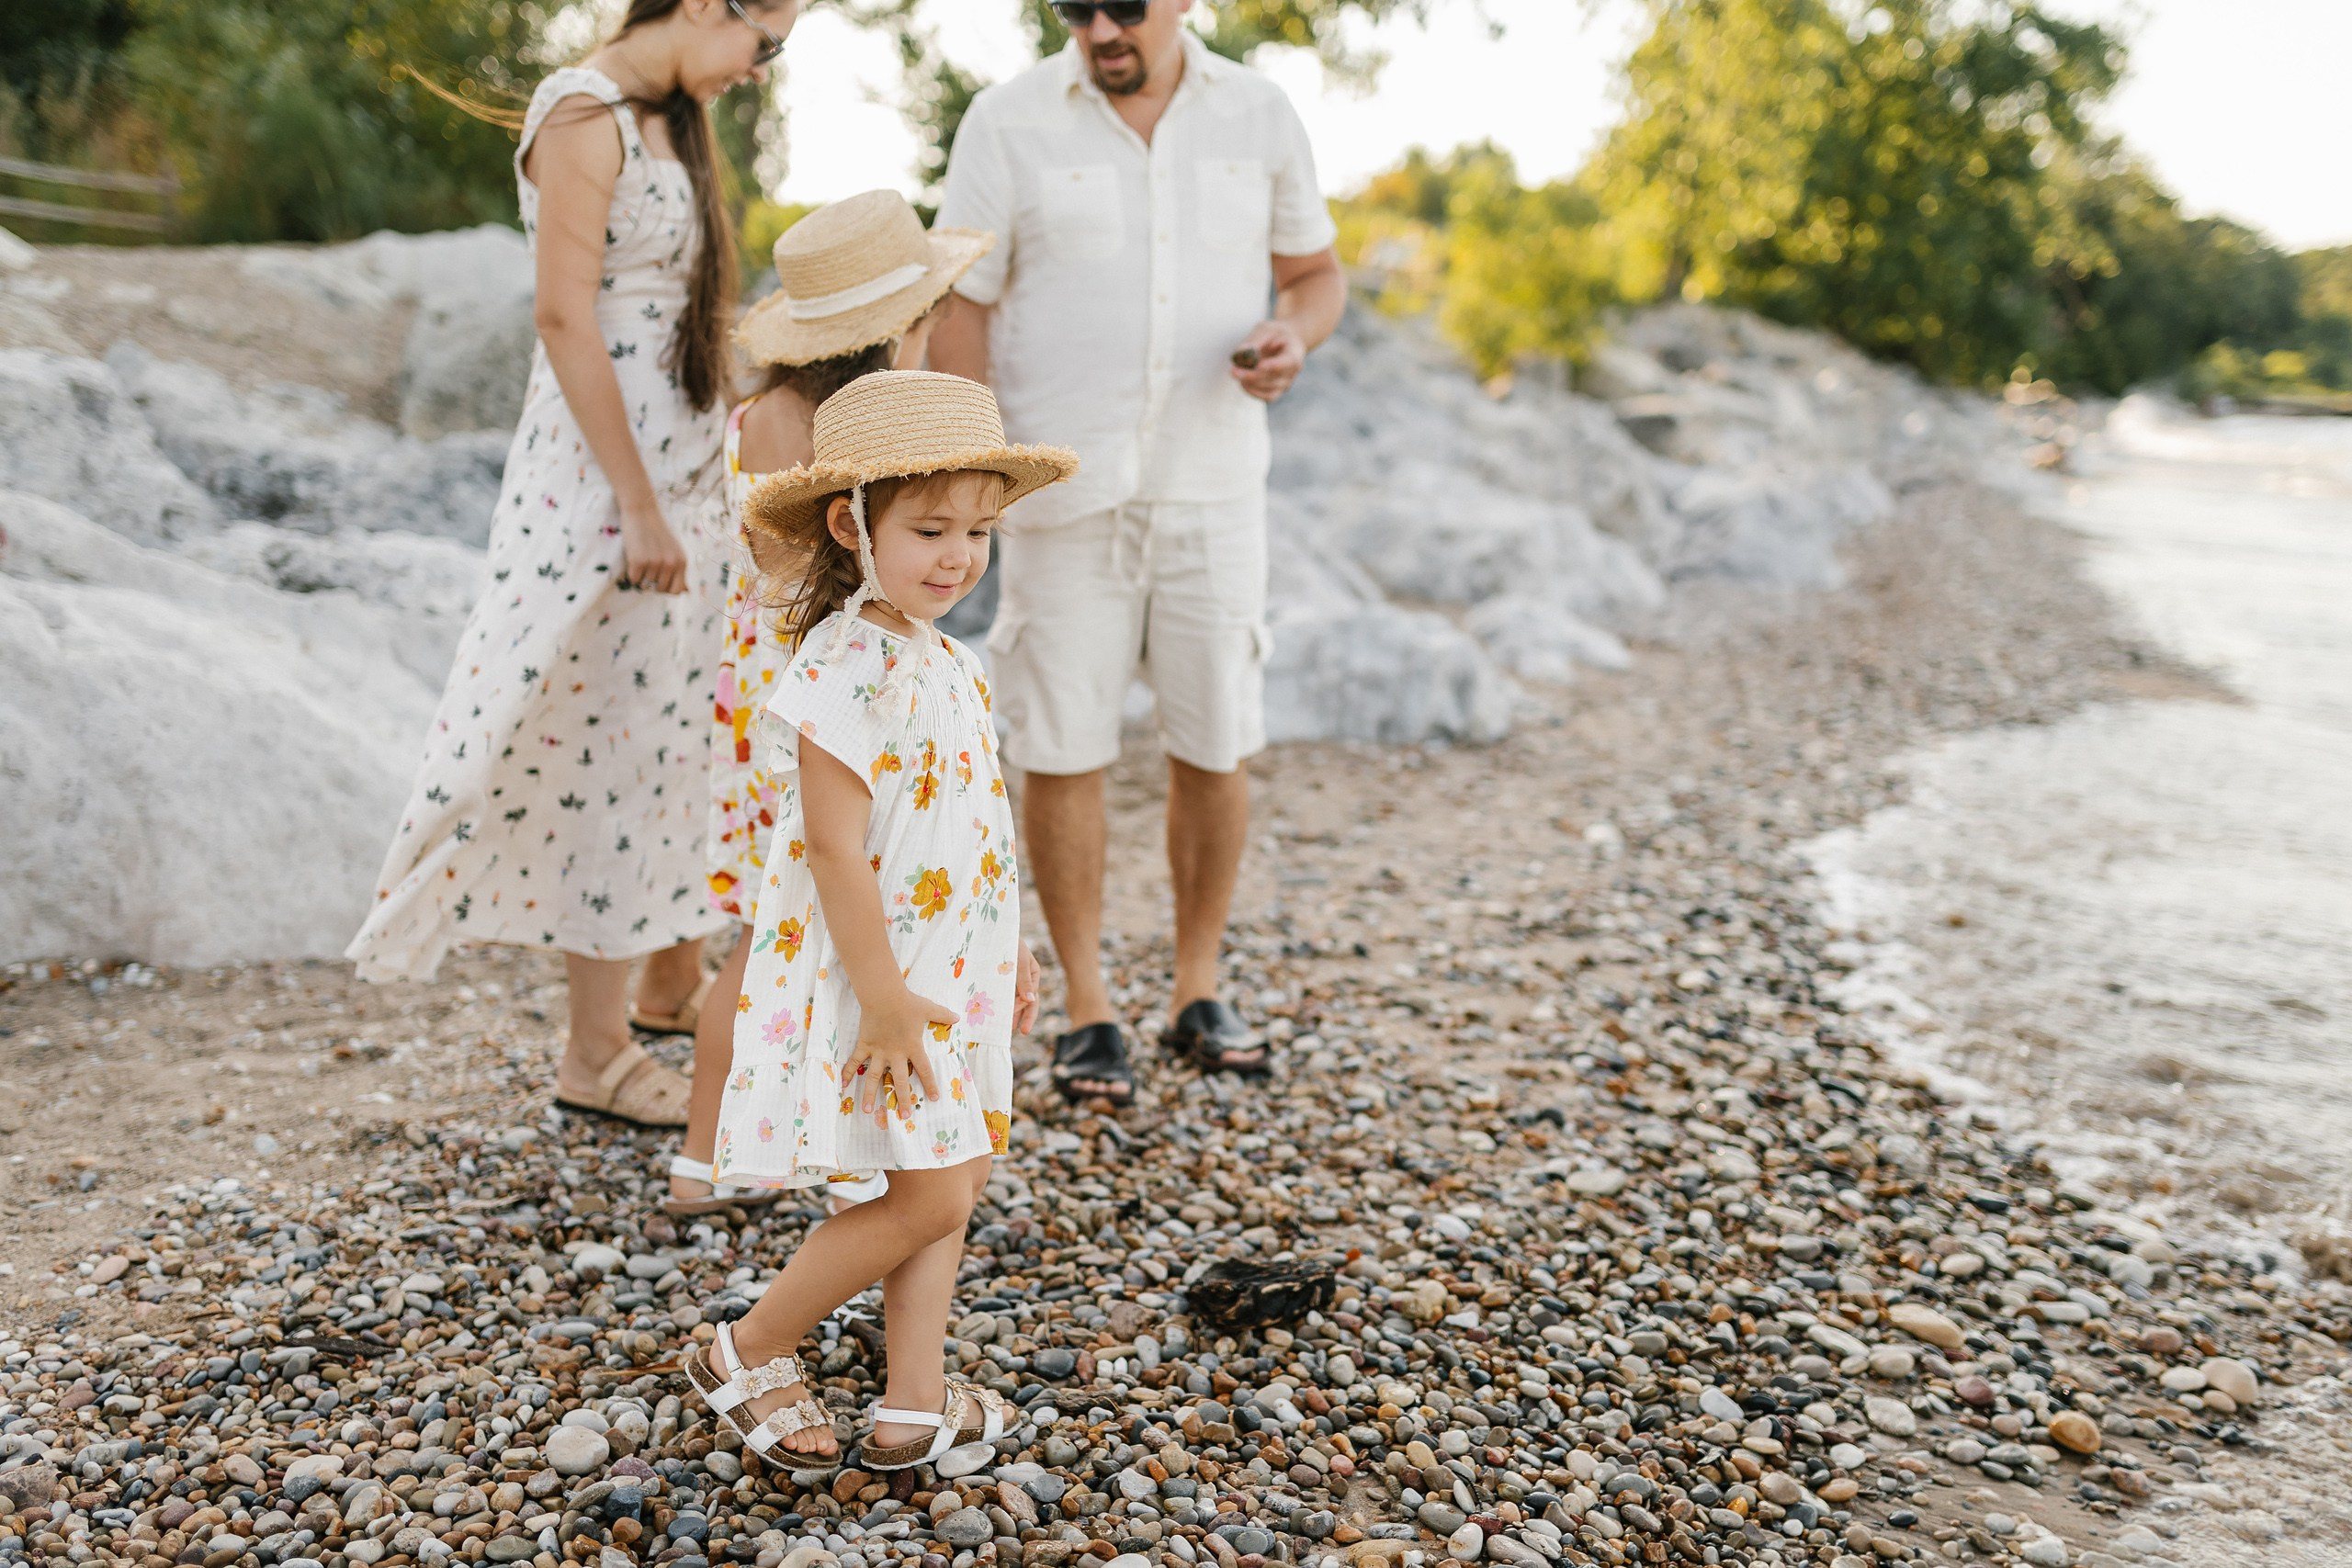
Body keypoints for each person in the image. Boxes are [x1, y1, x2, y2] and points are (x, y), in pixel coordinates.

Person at [345, 0, 801, 1129]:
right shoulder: (581, 114)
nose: (760, 67)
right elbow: (564, 319)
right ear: (707, 4)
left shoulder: (667, 122)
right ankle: (592, 1055)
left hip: (681, 482)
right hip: (603, 493)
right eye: (767, 37)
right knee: (604, 745)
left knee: (673, 741)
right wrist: (638, 506)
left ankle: (661, 984)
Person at [930, 0, 1348, 1105]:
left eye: (1123, 6)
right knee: (1063, 748)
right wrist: (979, 469)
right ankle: (1087, 1008)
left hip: (1215, 489)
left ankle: (1196, 991)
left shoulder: (1260, 113)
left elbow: (1315, 275)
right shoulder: (1006, 119)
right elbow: (958, 308)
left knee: (1216, 741)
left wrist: (1291, 335)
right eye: (1075, 8)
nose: (1100, 26)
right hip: (1060, 495)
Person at [685, 371, 1069, 1464]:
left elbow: (971, 825)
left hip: (956, 965)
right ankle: (748, 1345)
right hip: (883, 980)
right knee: (927, 1195)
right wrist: (887, 999)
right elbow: (832, 850)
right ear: (853, 526)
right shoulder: (845, 664)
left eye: (979, 531)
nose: (956, 556)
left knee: (951, 1175)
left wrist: (1014, 943)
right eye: (930, 527)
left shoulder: (952, 661)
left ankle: (914, 1396)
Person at [669, 190, 994, 1216]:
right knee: (791, 925)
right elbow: (850, 589)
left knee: (775, 927)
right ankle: (724, 1149)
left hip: (751, 696)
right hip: (827, 703)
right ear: (900, 324)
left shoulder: (758, 414)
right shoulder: (857, 442)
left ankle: (716, 1148)